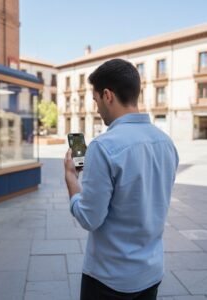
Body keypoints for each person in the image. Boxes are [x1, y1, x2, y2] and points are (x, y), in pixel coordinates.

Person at [64, 59, 179, 300]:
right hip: (150, 273)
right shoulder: (166, 143)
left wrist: (72, 181)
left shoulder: (104, 147)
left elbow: (89, 218)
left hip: (110, 279)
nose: (96, 108)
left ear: (107, 95)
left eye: (95, 100)